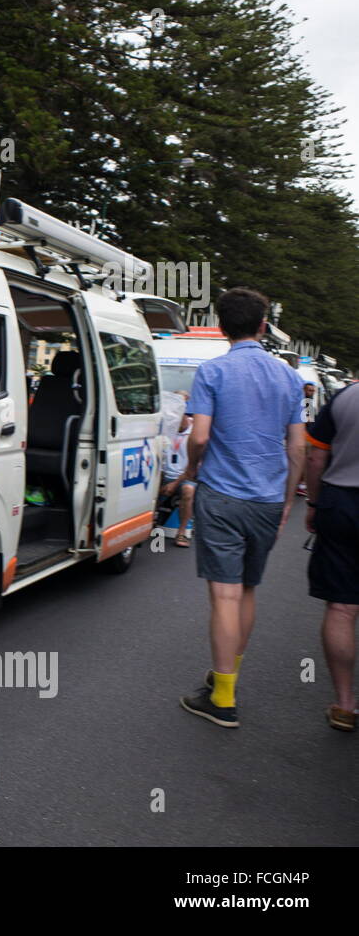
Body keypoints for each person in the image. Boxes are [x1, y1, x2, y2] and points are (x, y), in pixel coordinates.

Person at [173, 288, 306, 728]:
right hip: (268, 498)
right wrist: (287, 500)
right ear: (263, 325)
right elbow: (298, 448)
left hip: (223, 494)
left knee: (224, 594)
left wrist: (191, 471)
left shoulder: (213, 371)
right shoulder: (289, 377)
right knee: (247, 590)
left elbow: (200, 437)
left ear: (223, 327)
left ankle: (224, 697)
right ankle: (225, 678)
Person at [303, 381, 358, 731]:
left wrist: (313, 502)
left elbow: (316, 454)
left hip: (344, 503)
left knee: (341, 607)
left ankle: (344, 704)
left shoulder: (347, 396)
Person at [161, 391, 197, 547]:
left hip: (186, 477)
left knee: (188, 490)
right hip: (165, 475)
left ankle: (181, 533)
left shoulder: (195, 432)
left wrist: (174, 484)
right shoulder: (165, 429)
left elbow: (194, 467)